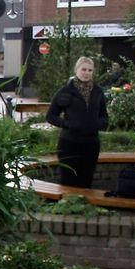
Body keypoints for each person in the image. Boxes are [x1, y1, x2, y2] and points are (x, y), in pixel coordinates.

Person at [45, 56, 108, 188]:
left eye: (90, 70)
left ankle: (84, 208)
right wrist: (68, 125)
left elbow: (104, 116)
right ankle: (67, 208)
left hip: (91, 143)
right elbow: (51, 116)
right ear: (76, 70)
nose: (86, 73)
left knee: (86, 180)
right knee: (68, 181)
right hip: (69, 143)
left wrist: (97, 124)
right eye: (83, 69)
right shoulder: (66, 91)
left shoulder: (98, 91)